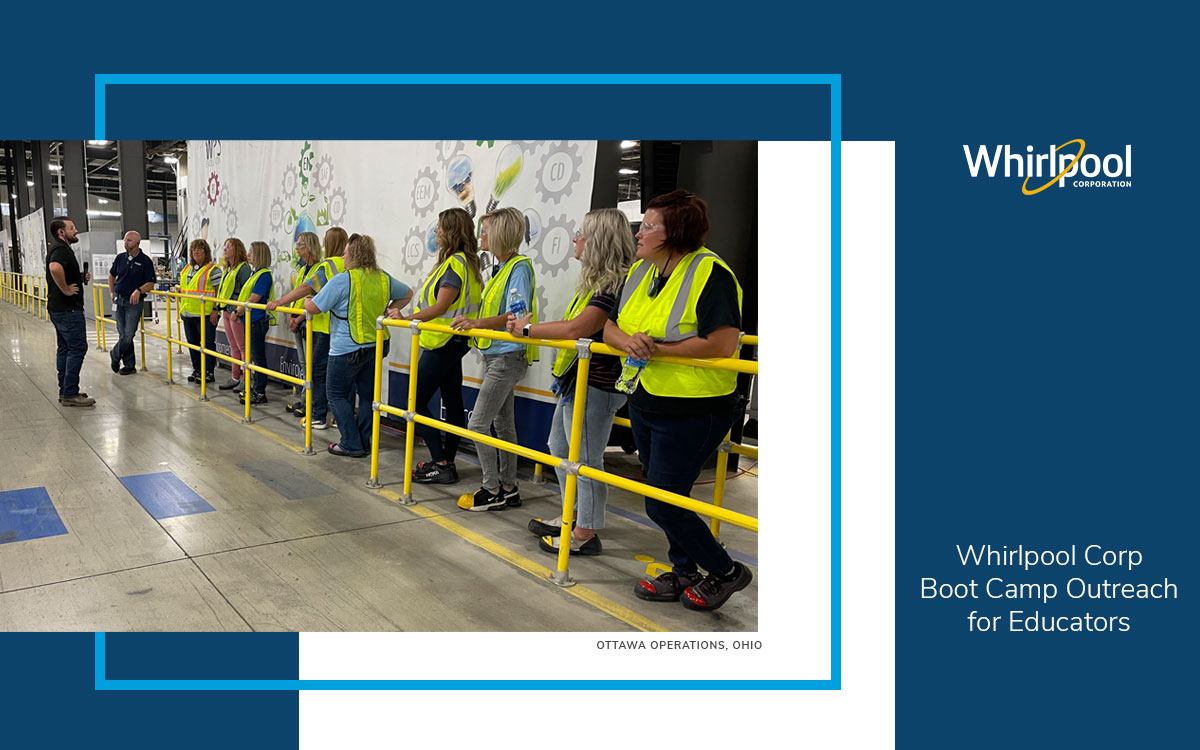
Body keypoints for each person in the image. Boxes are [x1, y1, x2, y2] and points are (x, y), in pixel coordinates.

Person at [603, 189, 752, 612]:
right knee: (669, 496)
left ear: (676, 233)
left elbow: (723, 343)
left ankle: (725, 572)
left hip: (695, 407)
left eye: (649, 226)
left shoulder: (710, 273)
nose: (639, 233)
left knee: (663, 502)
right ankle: (685, 571)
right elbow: (610, 328)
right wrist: (628, 342)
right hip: (648, 399)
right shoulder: (640, 271)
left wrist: (660, 350)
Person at [507, 208, 635, 551]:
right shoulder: (596, 283)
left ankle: (585, 531)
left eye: (582, 234)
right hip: (576, 381)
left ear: (599, 242)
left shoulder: (614, 284)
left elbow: (579, 329)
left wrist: (529, 329)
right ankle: (574, 515)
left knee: (587, 458)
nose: (576, 239)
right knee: (561, 449)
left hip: (597, 383)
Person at [450, 206, 538, 511]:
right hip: (496, 355)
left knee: (478, 424)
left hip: (506, 357)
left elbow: (516, 315)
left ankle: (492, 489)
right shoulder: (503, 268)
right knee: (503, 424)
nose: (480, 236)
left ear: (500, 233)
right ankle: (509, 487)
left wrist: (476, 324)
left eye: (485, 231)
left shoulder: (518, 268)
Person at [307, 235, 412, 457]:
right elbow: (407, 294)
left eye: (345, 253)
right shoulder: (382, 278)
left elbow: (315, 308)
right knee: (367, 396)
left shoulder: (343, 280)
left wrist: (308, 302)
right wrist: (389, 310)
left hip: (346, 347)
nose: (343, 257)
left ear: (352, 255)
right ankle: (364, 441)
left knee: (335, 393)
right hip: (376, 345)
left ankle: (351, 442)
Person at [403, 208, 482, 484]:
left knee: (415, 399)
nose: (435, 232)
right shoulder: (465, 263)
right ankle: (448, 461)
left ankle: (440, 461)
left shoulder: (453, 266)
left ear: (449, 232)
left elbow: (441, 306)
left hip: (443, 341)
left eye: (439, 228)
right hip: (455, 341)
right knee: (452, 401)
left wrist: (406, 319)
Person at [268, 226, 348, 429]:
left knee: (317, 372)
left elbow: (306, 289)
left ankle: (319, 415)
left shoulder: (328, 265)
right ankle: (340, 418)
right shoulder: (350, 266)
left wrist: (280, 301)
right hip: (345, 330)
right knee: (343, 377)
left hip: (325, 328)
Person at [45, 217, 94, 406]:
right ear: (61, 232)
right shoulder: (61, 250)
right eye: (71, 228)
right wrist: (65, 289)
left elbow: (60, 269)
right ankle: (70, 393)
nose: (75, 231)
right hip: (68, 309)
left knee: (65, 349)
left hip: (59, 309)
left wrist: (78, 277)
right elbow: (55, 268)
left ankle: (65, 390)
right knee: (78, 348)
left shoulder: (61, 249)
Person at [107, 230, 157, 375]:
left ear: (137, 243)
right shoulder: (120, 258)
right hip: (119, 299)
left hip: (133, 303)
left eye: (129, 240)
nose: (125, 243)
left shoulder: (145, 261)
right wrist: (111, 292)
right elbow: (111, 275)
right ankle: (129, 365)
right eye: (125, 240)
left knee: (128, 334)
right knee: (122, 333)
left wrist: (139, 290)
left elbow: (150, 283)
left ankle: (115, 354)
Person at [236, 241, 276, 406]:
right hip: (251, 319)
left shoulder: (264, 275)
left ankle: (260, 391)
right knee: (254, 356)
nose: (248, 255)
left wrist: (237, 311)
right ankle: (256, 388)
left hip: (256, 321)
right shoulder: (256, 273)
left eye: (251, 252)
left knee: (258, 357)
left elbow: (254, 298)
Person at [179, 238, 222, 384]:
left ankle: (209, 372)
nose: (196, 253)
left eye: (200, 250)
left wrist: (216, 310)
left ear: (206, 252)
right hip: (188, 313)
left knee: (208, 344)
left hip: (206, 314)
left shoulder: (213, 269)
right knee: (193, 344)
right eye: (194, 250)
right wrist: (181, 308)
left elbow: (218, 292)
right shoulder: (186, 269)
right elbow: (184, 291)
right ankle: (197, 370)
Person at [215, 238, 252, 392]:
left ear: (236, 250)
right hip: (226, 310)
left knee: (242, 347)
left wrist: (238, 311)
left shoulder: (243, 269)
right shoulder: (228, 268)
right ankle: (235, 377)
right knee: (234, 347)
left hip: (236, 313)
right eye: (224, 246)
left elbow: (247, 291)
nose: (225, 249)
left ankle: (246, 379)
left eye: (228, 246)